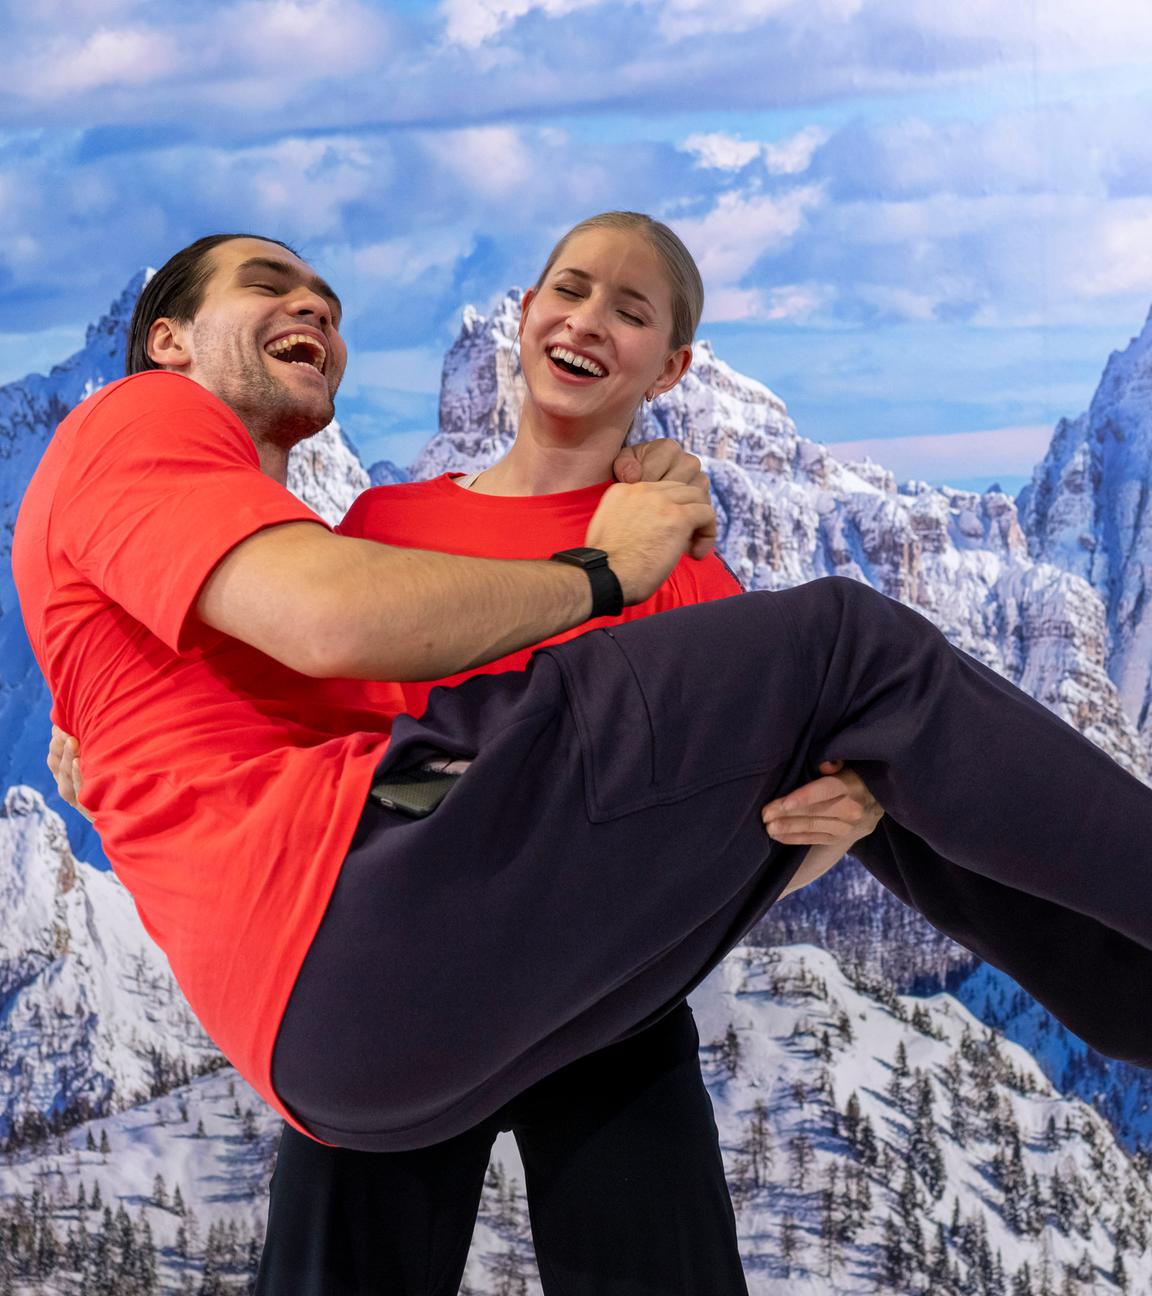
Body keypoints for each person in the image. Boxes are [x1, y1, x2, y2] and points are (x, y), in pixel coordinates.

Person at [17, 222, 1152, 1239]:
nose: (314, 302)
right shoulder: (165, 428)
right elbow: (331, 619)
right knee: (851, 647)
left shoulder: (229, 539)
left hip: (380, 993)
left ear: (673, 368)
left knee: (852, 712)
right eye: (269, 284)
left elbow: (191, 674)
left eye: (327, 297)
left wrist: (850, 801)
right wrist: (607, 569)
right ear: (166, 341)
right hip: (372, 907)